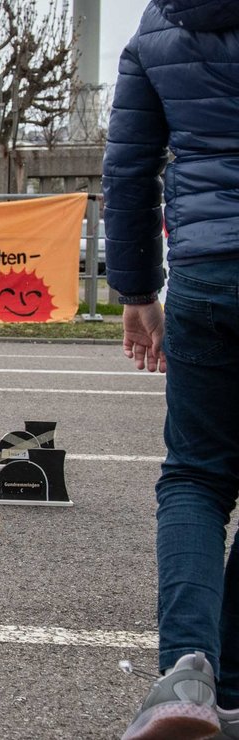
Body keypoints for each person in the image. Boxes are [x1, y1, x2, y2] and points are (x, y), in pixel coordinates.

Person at [105, 3, 239, 739]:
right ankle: (235, 687)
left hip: (209, 272)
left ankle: (186, 673)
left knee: (195, 474)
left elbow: (128, 170)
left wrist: (135, 292)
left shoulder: (162, 24)